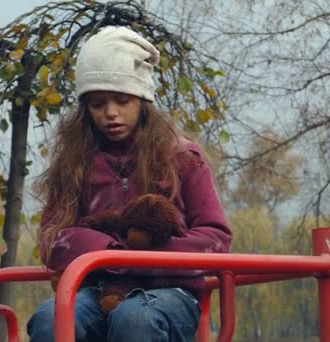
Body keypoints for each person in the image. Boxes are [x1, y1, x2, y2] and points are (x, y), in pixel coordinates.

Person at [27, 25, 232, 342]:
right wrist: (112, 252)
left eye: (122, 100)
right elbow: (53, 238)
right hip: (98, 289)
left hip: (172, 291)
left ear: (142, 99)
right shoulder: (76, 163)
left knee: (135, 320)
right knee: (50, 321)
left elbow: (216, 239)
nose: (111, 113)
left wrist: (147, 253)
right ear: (85, 109)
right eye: (97, 104)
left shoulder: (183, 157)